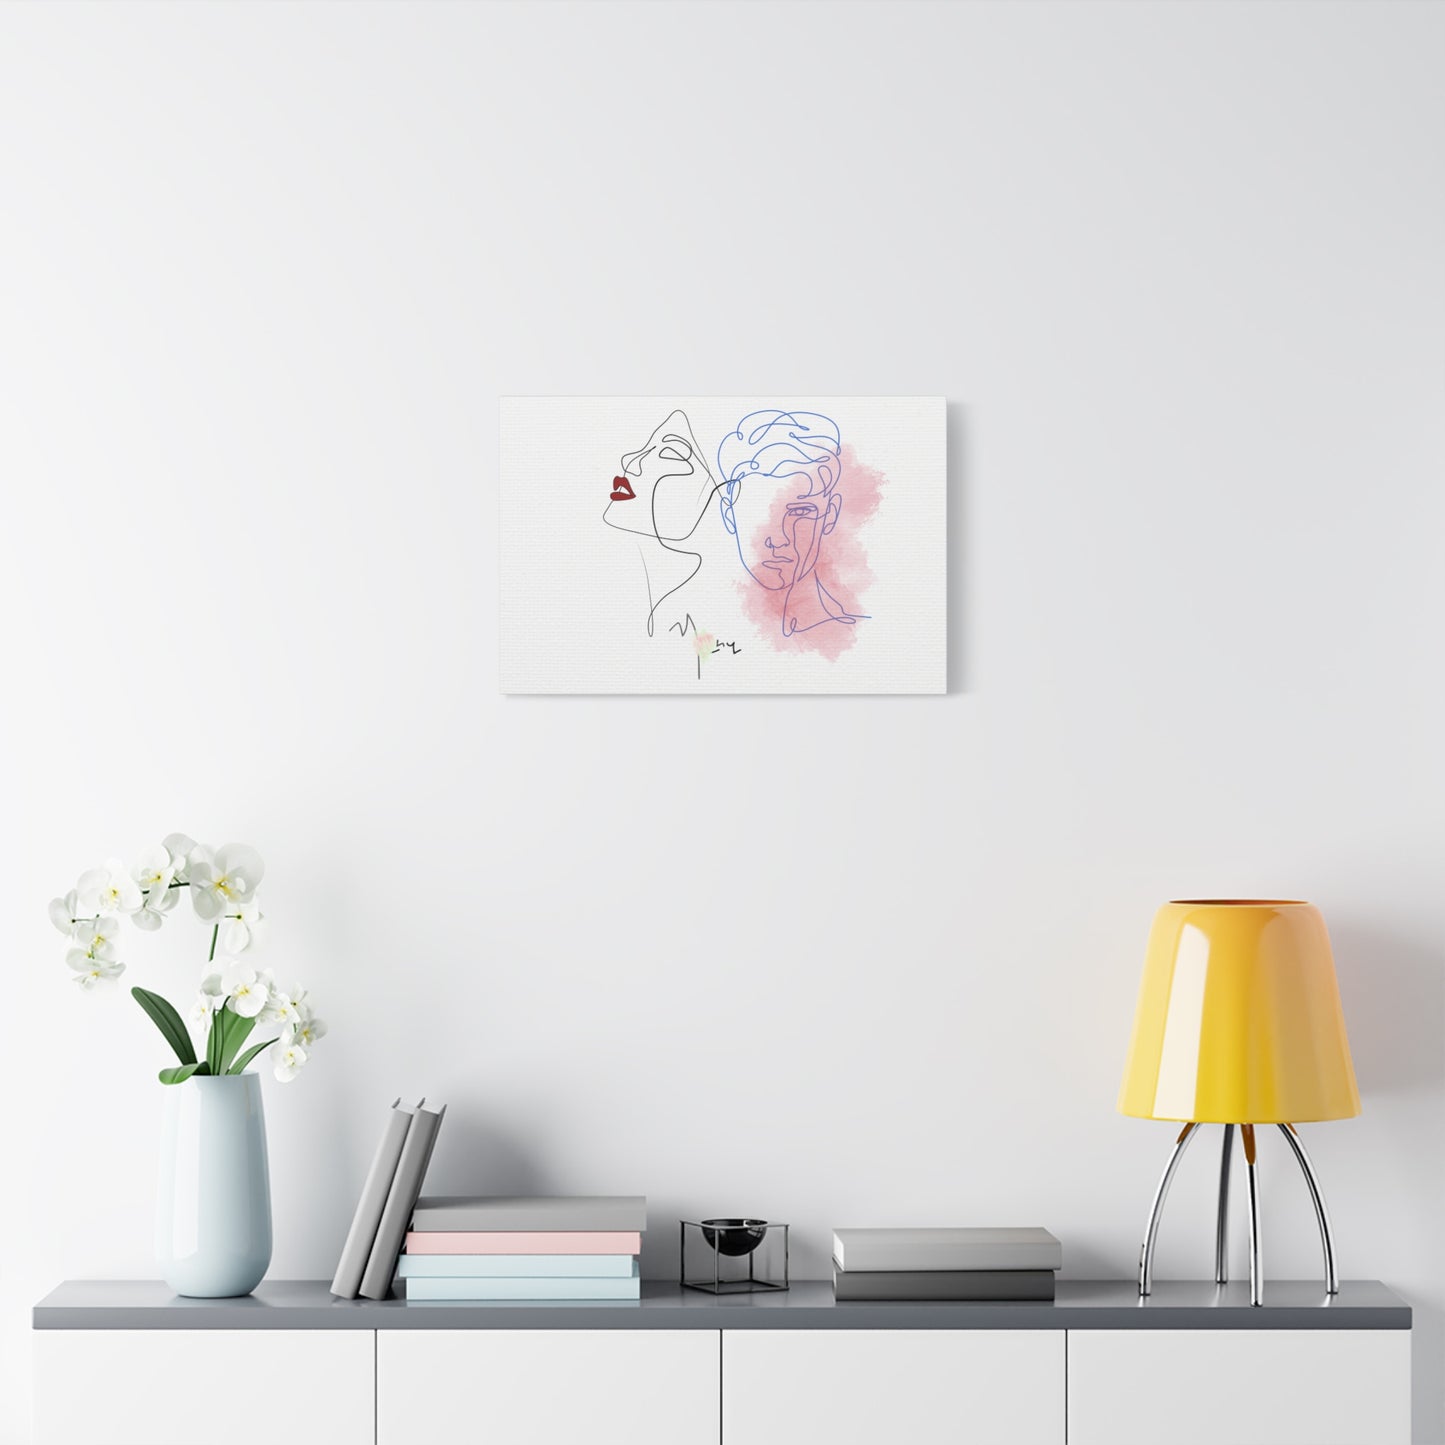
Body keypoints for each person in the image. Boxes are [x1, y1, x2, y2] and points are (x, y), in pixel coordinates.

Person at [716, 408, 865, 637]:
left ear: (830, 514)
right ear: (729, 515)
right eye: (756, 509)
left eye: (801, 512)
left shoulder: (851, 632)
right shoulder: (710, 618)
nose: (778, 540)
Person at [601, 409, 725, 636]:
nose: (631, 461)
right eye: (646, 446)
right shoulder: (618, 589)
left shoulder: (701, 612)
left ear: (725, 493)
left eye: (672, 452)